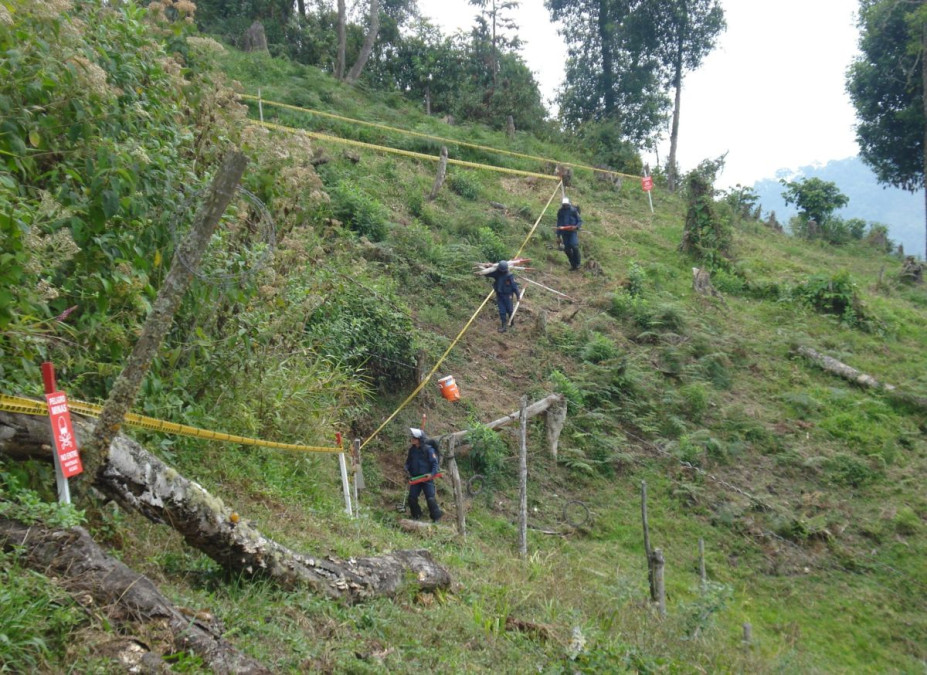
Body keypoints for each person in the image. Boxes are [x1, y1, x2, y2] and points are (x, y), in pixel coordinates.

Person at [404, 427, 442, 522]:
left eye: (414, 438)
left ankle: (436, 517)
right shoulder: (412, 450)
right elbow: (408, 462)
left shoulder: (429, 450)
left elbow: (435, 464)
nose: (412, 439)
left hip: (427, 478)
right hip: (416, 479)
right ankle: (416, 515)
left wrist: (431, 474)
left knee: (430, 499)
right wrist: (406, 468)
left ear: (419, 440)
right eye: (412, 437)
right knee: (412, 498)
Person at [486, 260, 520, 333]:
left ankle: (512, 323)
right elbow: (487, 274)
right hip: (500, 295)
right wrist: (487, 266)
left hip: (508, 295)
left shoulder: (509, 276)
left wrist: (518, 295)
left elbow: (514, 286)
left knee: (510, 310)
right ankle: (504, 326)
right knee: (502, 311)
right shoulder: (497, 273)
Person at [556, 197, 583, 270]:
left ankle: (578, 263)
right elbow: (558, 223)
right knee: (567, 249)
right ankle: (573, 265)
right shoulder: (560, 212)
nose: (565, 206)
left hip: (572, 232)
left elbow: (580, 221)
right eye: (564, 205)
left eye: (566, 205)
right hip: (564, 233)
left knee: (574, 246)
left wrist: (576, 227)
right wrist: (558, 235)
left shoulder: (573, 211)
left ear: (569, 204)